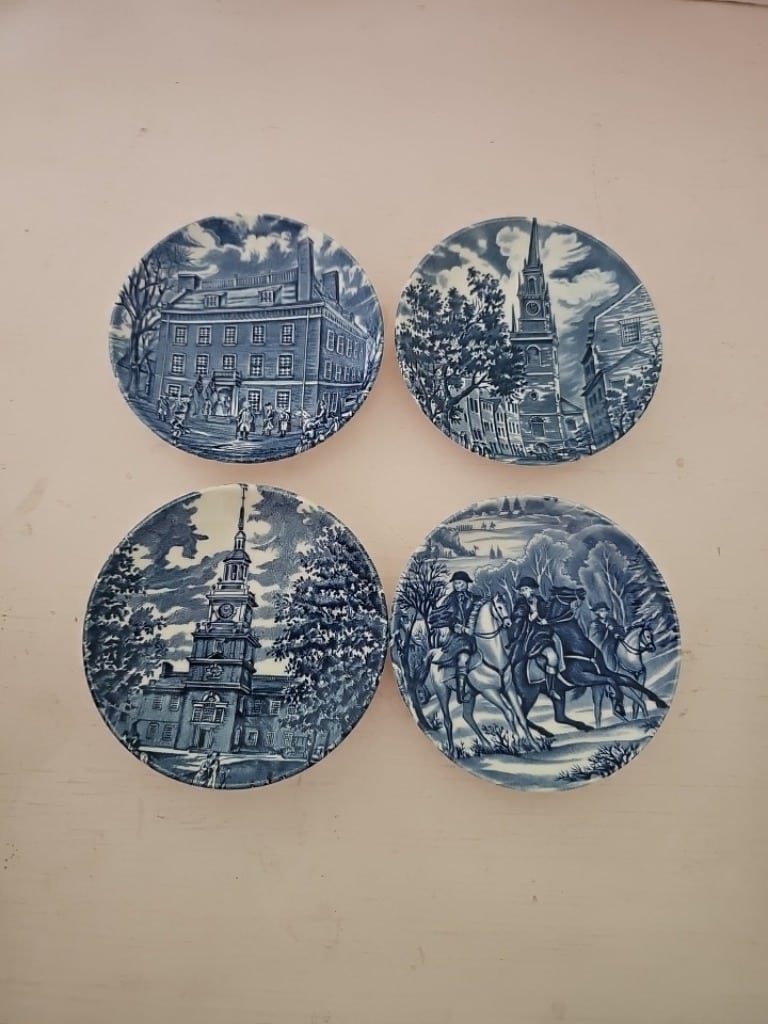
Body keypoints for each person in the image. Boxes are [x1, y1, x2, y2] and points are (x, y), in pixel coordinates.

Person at [428, 570, 482, 703]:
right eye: (456, 583)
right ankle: (460, 693)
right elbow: (441, 614)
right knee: (463, 658)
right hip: (458, 637)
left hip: (475, 634)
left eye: (460, 583)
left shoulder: (474, 598)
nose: (458, 586)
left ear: (466, 584)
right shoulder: (450, 599)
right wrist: (455, 626)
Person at [511, 577, 565, 694]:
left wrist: (546, 619)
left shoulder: (540, 600)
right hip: (529, 635)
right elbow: (518, 617)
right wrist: (532, 614)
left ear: (532, 589)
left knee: (557, 646)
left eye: (526, 589)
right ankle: (550, 689)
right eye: (522, 590)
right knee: (552, 657)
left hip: (544, 633)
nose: (524, 592)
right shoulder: (521, 603)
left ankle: (553, 685)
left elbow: (547, 613)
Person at [588, 603, 625, 672]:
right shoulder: (594, 625)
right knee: (608, 653)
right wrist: (607, 630)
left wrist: (616, 632)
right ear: (597, 613)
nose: (604, 613)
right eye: (601, 611)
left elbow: (618, 629)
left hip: (617, 643)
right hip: (605, 647)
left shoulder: (611, 620)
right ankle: (612, 669)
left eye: (605, 611)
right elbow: (595, 639)